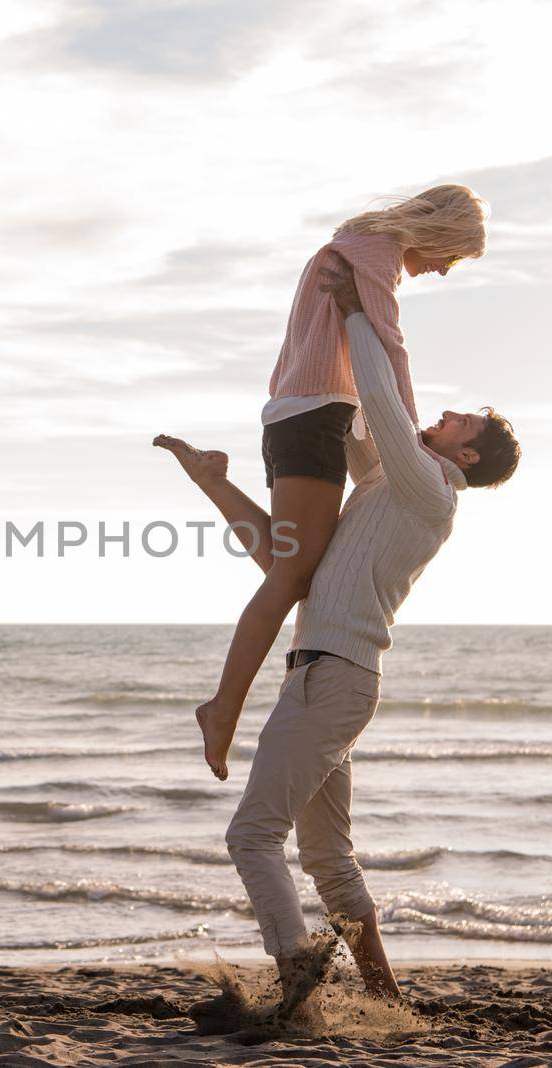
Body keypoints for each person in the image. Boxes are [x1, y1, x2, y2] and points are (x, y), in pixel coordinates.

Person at [152, 272, 521, 1011]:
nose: (443, 416)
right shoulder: (394, 482)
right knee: (326, 857)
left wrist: (356, 311)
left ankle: (295, 965)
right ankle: (385, 999)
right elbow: (309, 509)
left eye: (460, 423)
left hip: (333, 678)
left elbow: (382, 409)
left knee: (252, 837)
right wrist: (212, 482)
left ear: (467, 458)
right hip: (334, 679)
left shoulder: (428, 489)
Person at [193, 185, 490, 782]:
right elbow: (388, 347)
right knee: (292, 575)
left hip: (299, 413)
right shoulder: (378, 252)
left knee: (298, 566)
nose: (443, 268)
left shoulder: (355, 243)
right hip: (315, 416)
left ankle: (212, 482)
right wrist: (407, 434)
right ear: (443, 232)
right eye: (452, 256)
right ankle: (222, 708)